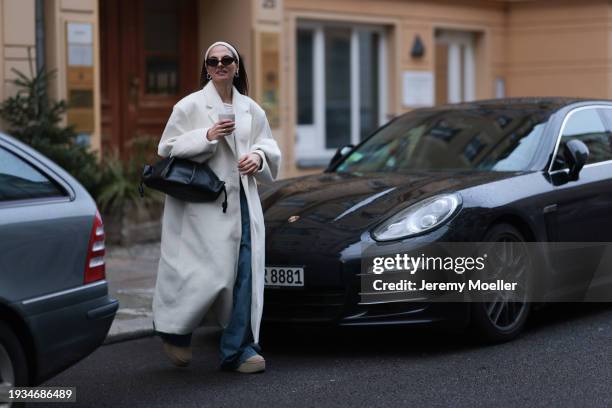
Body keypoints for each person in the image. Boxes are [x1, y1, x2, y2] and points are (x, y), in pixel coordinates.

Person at [152, 41, 281, 374]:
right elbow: (167, 148)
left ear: (237, 67)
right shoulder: (189, 106)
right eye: (213, 61)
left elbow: (268, 145)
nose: (220, 65)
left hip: (243, 202)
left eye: (227, 60)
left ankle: (238, 350)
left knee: (244, 274)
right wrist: (207, 136)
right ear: (206, 68)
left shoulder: (252, 108)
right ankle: (174, 332)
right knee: (205, 276)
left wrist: (259, 157)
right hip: (201, 206)